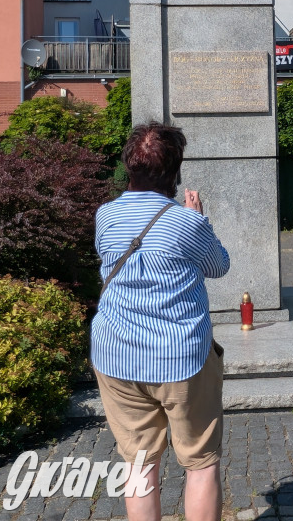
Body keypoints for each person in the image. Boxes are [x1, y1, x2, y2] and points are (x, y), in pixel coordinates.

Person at [91, 122, 230, 521]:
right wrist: (198, 220)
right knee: (200, 462)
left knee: (138, 463)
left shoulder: (106, 215)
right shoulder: (187, 223)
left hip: (116, 354)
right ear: (175, 172)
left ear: (129, 167)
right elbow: (218, 266)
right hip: (180, 358)